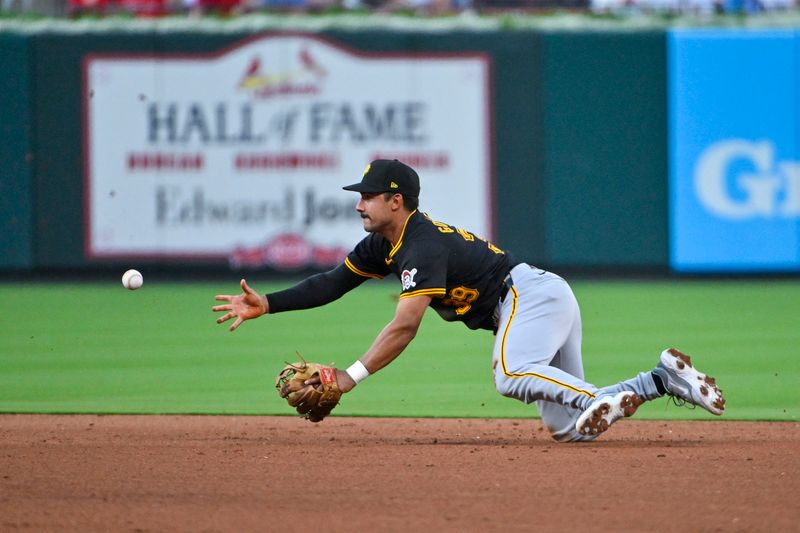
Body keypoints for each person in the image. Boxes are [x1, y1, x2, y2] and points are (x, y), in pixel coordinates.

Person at [212, 159, 725, 441]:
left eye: (367, 195)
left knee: (509, 374)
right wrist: (270, 304)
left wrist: (351, 376)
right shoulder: (382, 243)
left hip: (527, 296)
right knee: (566, 429)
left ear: (397, 200)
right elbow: (333, 282)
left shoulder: (421, 243)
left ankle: (597, 397)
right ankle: (660, 379)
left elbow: (405, 325)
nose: (359, 203)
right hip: (538, 299)